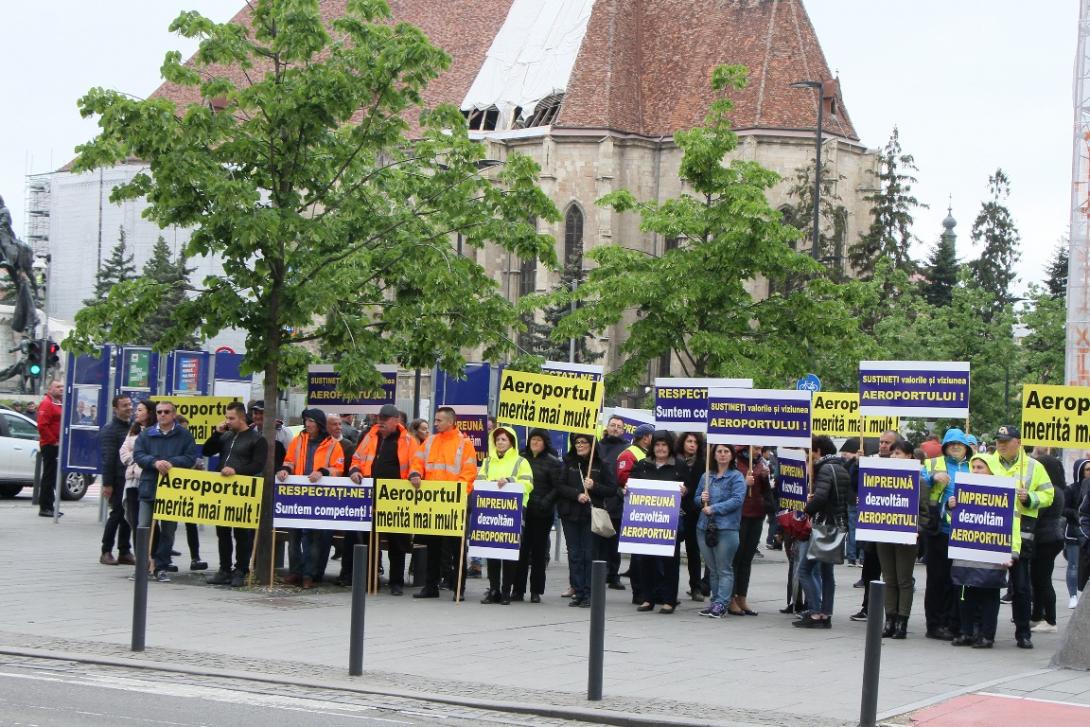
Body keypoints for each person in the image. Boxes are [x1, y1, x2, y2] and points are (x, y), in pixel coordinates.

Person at [990, 425, 1055, 649]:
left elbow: (1049, 494)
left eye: (1005, 441)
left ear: (1018, 442)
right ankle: (984, 631)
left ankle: (1023, 633)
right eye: (999, 440)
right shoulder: (988, 462)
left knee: (1021, 586)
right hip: (990, 531)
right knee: (987, 583)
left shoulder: (1034, 467)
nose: (1001, 444)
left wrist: (1030, 497)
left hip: (1021, 534)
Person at [949, 453, 1022, 649]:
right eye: (974, 467)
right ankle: (967, 632)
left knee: (988, 596)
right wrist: (951, 508)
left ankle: (987, 635)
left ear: (991, 469)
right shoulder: (963, 492)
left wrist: (1012, 553)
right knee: (965, 595)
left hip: (992, 554)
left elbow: (1013, 525)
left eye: (981, 467)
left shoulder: (1004, 493)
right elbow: (954, 522)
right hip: (967, 554)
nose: (976, 471)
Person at [409, 406, 478, 601]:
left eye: (439, 420)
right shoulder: (430, 441)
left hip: (454, 504)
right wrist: (414, 474)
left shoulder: (464, 444)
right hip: (433, 504)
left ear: (450, 421)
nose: (435, 423)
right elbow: (417, 461)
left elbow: (469, 473)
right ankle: (431, 587)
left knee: (457, 548)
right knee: (433, 547)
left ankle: (458, 588)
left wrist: (456, 495)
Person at [349, 404, 418, 594]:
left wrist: (414, 474)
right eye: (380, 418)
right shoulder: (369, 436)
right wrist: (355, 471)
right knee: (370, 539)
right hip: (371, 497)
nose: (381, 422)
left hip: (397, 498)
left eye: (385, 419)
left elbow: (416, 463)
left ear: (396, 421)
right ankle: (370, 579)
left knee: (398, 541)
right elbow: (357, 459)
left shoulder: (408, 440)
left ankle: (396, 582)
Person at [276, 408, 345, 588]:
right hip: (297, 496)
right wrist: (285, 470)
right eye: (306, 420)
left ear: (319, 423)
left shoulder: (333, 445)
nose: (307, 424)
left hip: (318, 498)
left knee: (311, 538)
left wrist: (322, 472)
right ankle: (295, 572)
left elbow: (339, 469)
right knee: (294, 537)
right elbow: (289, 460)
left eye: (311, 421)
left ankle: (308, 574)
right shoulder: (298, 440)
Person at [202, 401, 267, 587]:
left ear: (241, 417)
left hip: (242, 492)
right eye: (226, 418)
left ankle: (241, 569)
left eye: (231, 418)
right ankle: (224, 569)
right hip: (223, 492)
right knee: (222, 532)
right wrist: (217, 433)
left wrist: (236, 471)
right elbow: (207, 451)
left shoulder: (256, 439)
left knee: (241, 534)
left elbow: (257, 465)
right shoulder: (227, 436)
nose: (228, 421)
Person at [133, 401, 198, 581]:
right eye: (159, 412)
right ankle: (142, 565)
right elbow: (138, 455)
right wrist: (154, 462)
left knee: (168, 530)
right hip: (149, 486)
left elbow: (190, 456)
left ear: (173, 414)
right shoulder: (147, 434)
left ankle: (161, 566)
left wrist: (172, 463)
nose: (162, 415)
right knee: (143, 527)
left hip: (172, 490)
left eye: (167, 412)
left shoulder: (184, 435)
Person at [918, 428, 973, 640]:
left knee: (956, 581)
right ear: (945, 447)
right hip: (939, 530)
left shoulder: (973, 466)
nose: (956, 447)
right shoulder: (934, 463)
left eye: (959, 444)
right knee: (936, 580)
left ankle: (953, 623)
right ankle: (934, 624)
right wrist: (933, 477)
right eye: (951, 444)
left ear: (966, 447)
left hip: (965, 533)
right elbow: (917, 479)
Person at [794, 436, 850, 629]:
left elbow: (820, 498)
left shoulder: (825, 468)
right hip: (838, 525)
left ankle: (815, 612)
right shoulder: (840, 467)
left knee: (804, 570)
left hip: (825, 526)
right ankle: (826, 613)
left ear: (817, 451)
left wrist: (807, 508)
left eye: (810, 452)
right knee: (827, 573)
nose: (809, 457)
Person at [876, 440, 930, 639]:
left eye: (897, 453)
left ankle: (902, 621)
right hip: (885, 535)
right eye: (892, 454)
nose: (893, 457)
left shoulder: (919, 481)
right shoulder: (881, 479)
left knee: (904, 579)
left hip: (907, 536)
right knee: (888, 578)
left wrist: (917, 529)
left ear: (909, 456)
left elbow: (924, 514)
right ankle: (889, 619)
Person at [630, 431, 688, 614]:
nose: (660, 448)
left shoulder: (679, 466)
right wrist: (627, 490)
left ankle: (669, 599)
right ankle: (648, 598)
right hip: (647, 521)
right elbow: (631, 486)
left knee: (669, 562)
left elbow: (691, 490)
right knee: (646, 561)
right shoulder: (642, 465)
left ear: (670, 447)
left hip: (669, 522)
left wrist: (685, 491)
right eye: (657, 445)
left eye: (664, 445)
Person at [556, 432, 614, 607]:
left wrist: (594, 486)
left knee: (589, 554)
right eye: (577, 442)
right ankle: (578, 590)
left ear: (591, 444)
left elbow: (612, 489)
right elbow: (559, 485)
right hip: (570, 514)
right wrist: (577, 494)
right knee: (574, 554)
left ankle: (589, 593)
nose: (579, 445)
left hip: (590, 515)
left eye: (583, 442)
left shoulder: (601, 464)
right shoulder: (568, 462)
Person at [477, 426, 533, 604]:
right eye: (498, 439)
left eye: (504, 440)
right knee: (491, 551)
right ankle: (493, 589)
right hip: (490, 510)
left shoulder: (520, 461)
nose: (500, 442)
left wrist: (510, 481)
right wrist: (492, 484)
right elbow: (479, 481)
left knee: (508, 552)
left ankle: (506, 591)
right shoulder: (487, 461)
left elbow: (528, 483)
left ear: (511, 442)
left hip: (513, 511)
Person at [850, 430, 899, 622]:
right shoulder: (871, 461)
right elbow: (855, 485)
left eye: (888, 442)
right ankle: (867, 607)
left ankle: (892, 612)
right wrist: (857, 464)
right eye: (881, 442)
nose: (883, 445)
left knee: (892, 574)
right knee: (870, 570)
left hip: (894, 528)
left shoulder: (903, 464)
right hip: (873, 526)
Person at [694, 443, 745, 618]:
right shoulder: (706, 476)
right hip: (704, 527)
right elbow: (696, 499)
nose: (722, 455)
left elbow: (737, 500)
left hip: (726, 528)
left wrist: (714, 508)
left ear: (731, 455)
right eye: (719, 452)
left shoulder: (736, 477)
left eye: (726, 452)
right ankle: (715, 601)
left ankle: (722, 603)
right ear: (714, 455)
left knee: (724, 568)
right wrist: (701, 498)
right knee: (712, 568)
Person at [514, 428, 560, 603]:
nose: (535, 442)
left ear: (545, 442)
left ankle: (536, 591)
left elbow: (557, 487)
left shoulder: (553, 462)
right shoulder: (521, 458)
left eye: (539, 440)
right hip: (523, 511)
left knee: (539, 553)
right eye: (533, 439)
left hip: (542, 512)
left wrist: (545, 502)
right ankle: (517, 590)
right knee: (521, 552)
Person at [730, 445, 773, 616]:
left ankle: (742, 597)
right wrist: (744, 480)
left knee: (747, 559)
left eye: (760, 449)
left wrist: (764, 477)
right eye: (755, 448)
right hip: (740, 515)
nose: (758, 452)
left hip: (757, 513)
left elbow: (766, 490)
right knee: (736, 558)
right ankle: (731, 597)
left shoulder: (761, 464)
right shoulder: (736, 463)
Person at [615, 423, 654, 601]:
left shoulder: (645, 454)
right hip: (634, 506)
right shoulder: (629, 454)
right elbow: (623, 477)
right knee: (638, 552)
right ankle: (638, 592)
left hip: (647, 506)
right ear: (646, 437)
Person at [596, 415, 631, 590]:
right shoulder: (598, 447)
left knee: (615, 541)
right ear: (607, 427)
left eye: (619, 426)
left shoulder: (627, 449)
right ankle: (600, 573)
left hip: (618, 499)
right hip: (600, 498)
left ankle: (613, 574)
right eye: (612, 425)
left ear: (623, 430)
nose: (615, 428)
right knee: (600, 540)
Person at [1028, 468, 1065, 634]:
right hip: (1051, 538)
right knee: (1039, 579)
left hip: (1046, 539)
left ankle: (1050, 619)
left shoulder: (1051, 492)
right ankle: (1037, 616)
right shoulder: (1058, 490)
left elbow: (1036, 512)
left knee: (1043, 580)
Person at [99, 395, 134, 566]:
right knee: (117, 514)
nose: (128, 408)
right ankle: (106, 551)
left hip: (130, 478)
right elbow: (108, 459)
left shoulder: (133, 427)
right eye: (124, 405)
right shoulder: (110, 429)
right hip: (117, 479)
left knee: (127, 515)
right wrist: (107, 484)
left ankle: (124, 551)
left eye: (129, 404)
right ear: (115, 409)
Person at [675, 432, 706, 602]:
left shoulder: (702, 463)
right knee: (673, 551)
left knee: (694, 552)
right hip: (675, 510)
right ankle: (670, 587)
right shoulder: (674, 461)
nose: (692, 444)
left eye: (695, 442)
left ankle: (696, 587)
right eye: (689, 441)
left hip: (694, 512)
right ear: (683, 442)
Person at [119, 400, 153, 555]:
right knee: (134, 521)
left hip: (145, 480)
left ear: (149, 412)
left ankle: (150, 556)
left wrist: (139, 456)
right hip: (131, 481)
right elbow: (123, 452)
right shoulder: (134, 429)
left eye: (140, 410)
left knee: (146, 522)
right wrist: (137, 457)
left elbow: (151, 454)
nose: (136, 412)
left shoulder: (154, 431)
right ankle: (140, 559)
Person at [1065, 459, 1090, 607]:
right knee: (1073, 565)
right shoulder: (1071, 489)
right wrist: (1076, 514)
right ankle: (1073, 595)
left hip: (1087, 533)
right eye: (1087, 469)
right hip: (1074, 531)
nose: (1089, 473)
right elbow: (1064, 509)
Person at [36, 379, 63, 517]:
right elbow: (42, 425)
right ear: (50, 389)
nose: (61, 389)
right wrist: (53, 441)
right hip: (50, 445)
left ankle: (50, 506)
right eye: (58, 387)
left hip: (54, 444)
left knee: (52, 476)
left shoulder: (57, 403)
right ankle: (45, 507)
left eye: (62, 387)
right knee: (49, 476)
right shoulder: (47, 403)